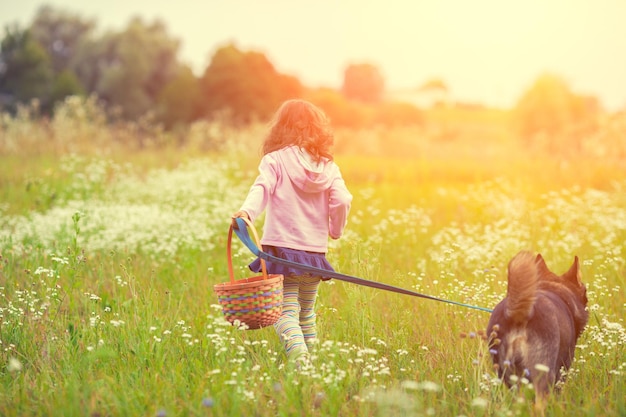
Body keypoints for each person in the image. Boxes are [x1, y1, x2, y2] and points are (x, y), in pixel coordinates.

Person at [232, 99, 352, 366]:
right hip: (314, 254)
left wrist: (246, 213)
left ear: (281, 128)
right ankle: (311, 365)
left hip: (282, 251)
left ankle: (300, 359)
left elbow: (262, 187)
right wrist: (335, 230)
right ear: (317, 129)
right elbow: (343, 200)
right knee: (306, 312)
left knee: (284, 313)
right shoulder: (329, 167)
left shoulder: (275, 160)